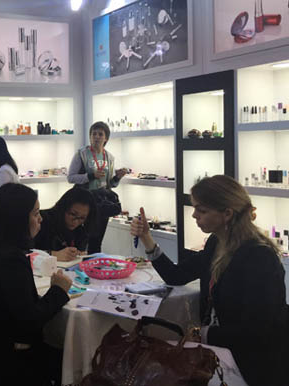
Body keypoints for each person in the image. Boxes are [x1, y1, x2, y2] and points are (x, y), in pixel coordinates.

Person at [129, 175, 288, 386]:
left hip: (251, 365)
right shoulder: (216, 243)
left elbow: (257, 330)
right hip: (222, 353)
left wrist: (203, 333)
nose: (194, 215)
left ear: (227, 214)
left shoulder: (259, 258)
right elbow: (176, 275)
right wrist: (146, 238)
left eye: (202, 210)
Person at [0, 183, 72, 386]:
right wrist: (58, 290)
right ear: (18, 218)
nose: (41, 219)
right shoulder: (11, 259)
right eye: (35, 213)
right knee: (69, 357)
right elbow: (30, 321)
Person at [67, 121, 126, 251]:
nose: (96, 137)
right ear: (90, 136)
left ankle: (95, 264)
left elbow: (110, 184)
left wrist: (117, 177)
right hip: (84, 203)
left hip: (101, 203)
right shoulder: (81, 154)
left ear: (106, 138)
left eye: (100, 134)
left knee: (97, 242)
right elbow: (70, 177)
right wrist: (90, 176)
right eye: (94, 134)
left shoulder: (109, 157)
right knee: (81, 241)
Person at [33, 187, 97, 261]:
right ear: (63, 208)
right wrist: (52, 254)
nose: (76, 222)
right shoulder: (41, 220)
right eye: (73, 214)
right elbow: (25, 252)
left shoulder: (82, 230)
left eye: (82, 218)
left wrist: (78, 254)